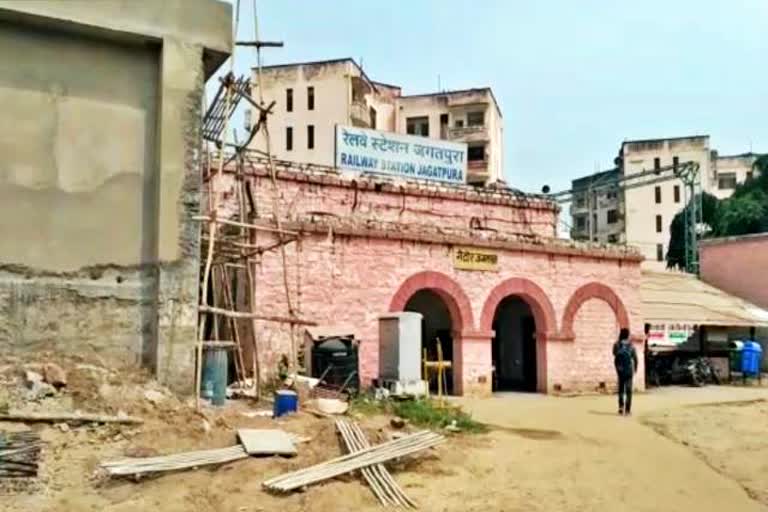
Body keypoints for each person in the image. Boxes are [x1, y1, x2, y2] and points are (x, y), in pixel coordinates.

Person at [613, 328, 638, 415]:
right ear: (628, 335)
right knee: (629, 391)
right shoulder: (631, 346)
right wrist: (635, 369)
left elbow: (614, 354)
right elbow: (635, 358)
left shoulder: (616, 345)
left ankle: (620, 407)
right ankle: (627, 410)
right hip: (628, 370)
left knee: (621, 389)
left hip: (620, 370)